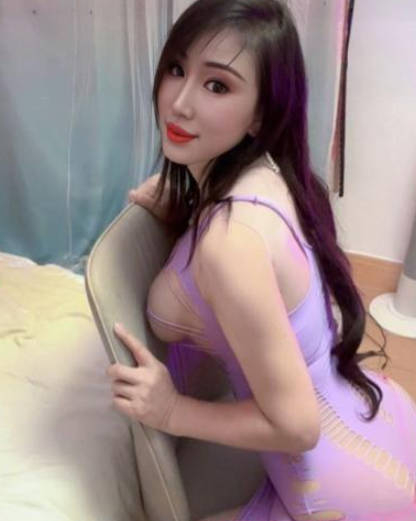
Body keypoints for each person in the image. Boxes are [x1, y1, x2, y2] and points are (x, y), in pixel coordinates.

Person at [106, 1, 416, 519]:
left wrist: (172, 410)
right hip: (371, 419)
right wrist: (185, 208)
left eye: (217, 85)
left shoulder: (231, 243)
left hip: (332, 492)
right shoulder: (271, 176)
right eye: (177, 68)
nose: (179, 103)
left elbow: (298, 426)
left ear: (261, 115)